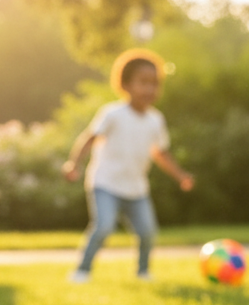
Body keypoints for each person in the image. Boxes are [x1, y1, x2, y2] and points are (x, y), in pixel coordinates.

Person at [63, 49, 194, 282]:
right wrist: (74, 164)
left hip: (136, 188)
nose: (150, 90)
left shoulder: (156, 120)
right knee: (103, 227)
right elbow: (90, 138)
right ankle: (82, 270)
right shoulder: (112, 114)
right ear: (125, 84)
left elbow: (161, 153)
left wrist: (180, 175)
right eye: (143, 83)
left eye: (155, 84)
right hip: (105, 182)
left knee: (147, 232)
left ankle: (143, 272)